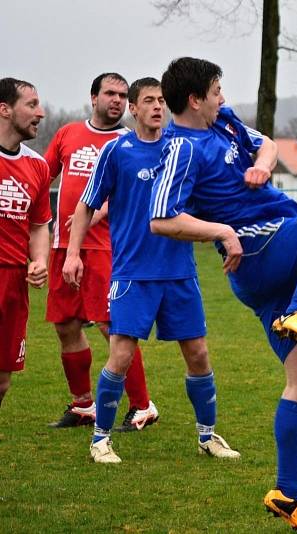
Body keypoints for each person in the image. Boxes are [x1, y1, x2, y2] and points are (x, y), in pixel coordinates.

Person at [148, 57, 297, 534]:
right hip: (262, 245)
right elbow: (161, 218)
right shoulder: (180, 148)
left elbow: (265, 143)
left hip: (266, 265)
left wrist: (264, 167)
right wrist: (222, 229)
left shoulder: (222, 123)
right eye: (217, 90)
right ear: (194, 99)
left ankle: (287, 495)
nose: (223, 98)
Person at [62, 77, 237, 463]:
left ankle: (207, 436)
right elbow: (86, 205)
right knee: (120, 356)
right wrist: (73, 253)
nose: (157, 106)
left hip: (179, 272)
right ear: (134, 109)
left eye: (161, 100)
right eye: (148, 101)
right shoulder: (117, 151)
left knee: (199, 355)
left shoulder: (183, 150)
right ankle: (100, 440)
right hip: (132, 274)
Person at [44, 73, 157, 430]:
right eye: (110, 93)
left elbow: (140, 192)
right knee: (66, 325)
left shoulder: (130, 140)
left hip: (109, 248)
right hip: (64, 246)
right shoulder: (67, 134)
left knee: (113, 327)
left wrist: (97, 212)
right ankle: (83, 405)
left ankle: (142, 406)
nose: (117, 100)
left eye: (123, 95)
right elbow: (42, 176)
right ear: (93, 98)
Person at [0, 78, 50, 408]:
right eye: (31, 105)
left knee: (2, 381)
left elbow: (39, 224)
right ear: (4, 110)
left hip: (14, 283)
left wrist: (40, 260)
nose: (41, 112)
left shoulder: (37, 165)